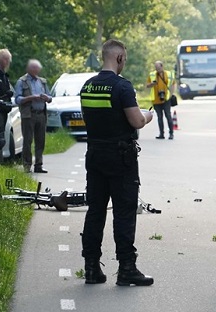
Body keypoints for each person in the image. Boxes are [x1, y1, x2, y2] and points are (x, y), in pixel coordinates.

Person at [80, 39, 154, 287]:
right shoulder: (122, 87)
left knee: (95, 211)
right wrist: (148, 115)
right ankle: (126, 268)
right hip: (121, 158)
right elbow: (136, 121)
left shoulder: (88, 87)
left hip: (95, 155)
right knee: (123, 213)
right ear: (120, 57)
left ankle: (91, 268)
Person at [14, 59, 52, 173]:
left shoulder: (43, 82)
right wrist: (30, 98)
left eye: (37, 68)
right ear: (29, 69)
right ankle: (27, 165)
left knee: (40, 140)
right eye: (33, 68)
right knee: (28, 140)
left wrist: (46, 98)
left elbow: (50, 97)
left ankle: (38, 165)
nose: (36, 70)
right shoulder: (22, 81)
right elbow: (17, 99)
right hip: (28, 114)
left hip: (41, 114)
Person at [146, 61, 176, 140]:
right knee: (159, 117)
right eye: (156, 68)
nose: (157, 69)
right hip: (156, 99)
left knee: (168, 116)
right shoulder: (152, 75)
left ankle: (171, 134)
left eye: (158, 67)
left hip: (166, 99)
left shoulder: (169, 74)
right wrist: (152, 84)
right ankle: (161, 134)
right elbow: (147, 85)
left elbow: (173, 84)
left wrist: (171, 93)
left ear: (162, 66)